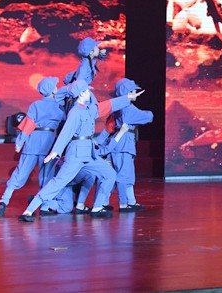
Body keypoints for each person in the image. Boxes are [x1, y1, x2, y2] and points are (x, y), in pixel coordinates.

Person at [18, 79, 143, 222]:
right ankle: (29, 210)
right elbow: (66, 133)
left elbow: (107, 105)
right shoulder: (75, 112)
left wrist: (127, 98)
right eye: (87, 90)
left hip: (88, 154)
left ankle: (97, 207)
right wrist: (55, 151)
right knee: (58, 182)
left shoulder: (88, 110)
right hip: (76, 155)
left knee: (109, 174)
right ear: (82, 94)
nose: (90, 93)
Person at [0, 76, 65, 217]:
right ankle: (44, 207)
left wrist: (20, 142)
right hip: (49, 143)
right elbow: (64, 126)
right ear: (52, 90)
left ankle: (4, 201)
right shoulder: (59, 106)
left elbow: (28, 125)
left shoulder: (35, 105)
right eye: (55, 86)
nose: (57, 88)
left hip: (33, 142)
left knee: (20, 173)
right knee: (47, 177)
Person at [97, 78, 154, 212]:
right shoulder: (128, 108)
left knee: (120, 174)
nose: (135, 93)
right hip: (124, 144)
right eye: (133, 91)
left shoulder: (117, 108)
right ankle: (124, 203)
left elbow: (109, 127)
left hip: (118, 143)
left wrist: (99, 141)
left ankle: (111, 202)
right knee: (124, 174)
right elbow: (148, 117)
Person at [64, 36, 108, 104]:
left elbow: (101, 67)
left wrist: (101, 55)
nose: (98, 48)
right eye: (96, 47)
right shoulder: (84, 66)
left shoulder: (90, 62)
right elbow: (78, 83)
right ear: (91, 52)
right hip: (82, 94)